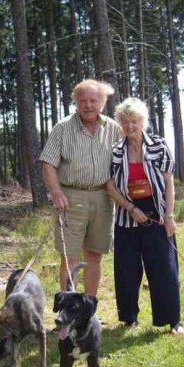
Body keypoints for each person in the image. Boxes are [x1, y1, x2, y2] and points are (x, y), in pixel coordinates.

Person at [106, 97, 184, 334]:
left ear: (143, 121)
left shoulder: (159, 145)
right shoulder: (116, 150)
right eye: (125, 122)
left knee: (164, 267)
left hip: (157, 213)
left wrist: (169, 216)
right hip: (126, 213)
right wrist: (130, 208)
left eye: (134, 121)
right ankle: (129, 318)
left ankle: (173, 321)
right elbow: (109, 186)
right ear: (120, 123)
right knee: (126, 269)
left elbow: (169, 183)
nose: (130, 126)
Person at [39, 79, 120, 296]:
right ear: (76, 102)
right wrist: (56, 192)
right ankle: (69, 312)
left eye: (93, 100)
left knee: (94, 255)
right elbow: (47, 162)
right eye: (82, 100)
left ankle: (89, 308)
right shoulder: (63, 128)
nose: (88, 105)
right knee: (69, 255)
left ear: (102, 102)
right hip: (71, 198)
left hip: (104, 197)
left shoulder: (113, 128)